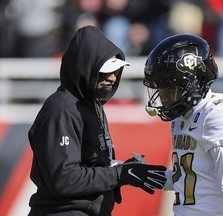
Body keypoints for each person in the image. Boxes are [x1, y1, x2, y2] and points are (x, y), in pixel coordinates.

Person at [27, 26, 166, 216]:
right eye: (105, 71)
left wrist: (123, 170)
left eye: (116, 71)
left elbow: (89, 166)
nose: (112, 77)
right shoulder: (61, 109)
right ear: (84, 67)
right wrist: (118, 175)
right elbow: (64, 179)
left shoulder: (92, 105)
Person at [143, 34, 223, 215]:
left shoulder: (220, 115)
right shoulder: (184, 117)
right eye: (160, 90)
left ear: (194, 84)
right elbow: (187, 179)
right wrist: (139, 173)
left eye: (169, 90)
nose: (163, 99)